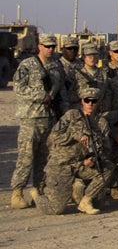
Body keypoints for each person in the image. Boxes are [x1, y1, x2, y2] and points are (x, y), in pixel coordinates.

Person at [33, 86, 115, 215]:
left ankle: (85, 200)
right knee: (55, 210)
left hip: (81, 165)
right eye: (87, 100)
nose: (90, 104)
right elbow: (53, 138)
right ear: (82, 101)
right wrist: (73, 136)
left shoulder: (101, 123)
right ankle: (37, 195)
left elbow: (106, 149)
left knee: (107, 168)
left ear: (98, 102)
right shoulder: (71, 115)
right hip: (62, 165)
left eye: (94, 101)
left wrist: (92, 159)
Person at [10, 33, 63, 209]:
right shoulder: (27, 65)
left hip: (49, 118)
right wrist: (41, 95)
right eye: (47, 46)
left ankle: (39, 191)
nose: (50, 49)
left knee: (44, 158)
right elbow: (19, 88)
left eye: (52, 47)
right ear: (39, 46)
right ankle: (17, 192)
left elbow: (59, 90)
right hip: (31, 117)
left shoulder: (56, 66)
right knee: (26, 157)